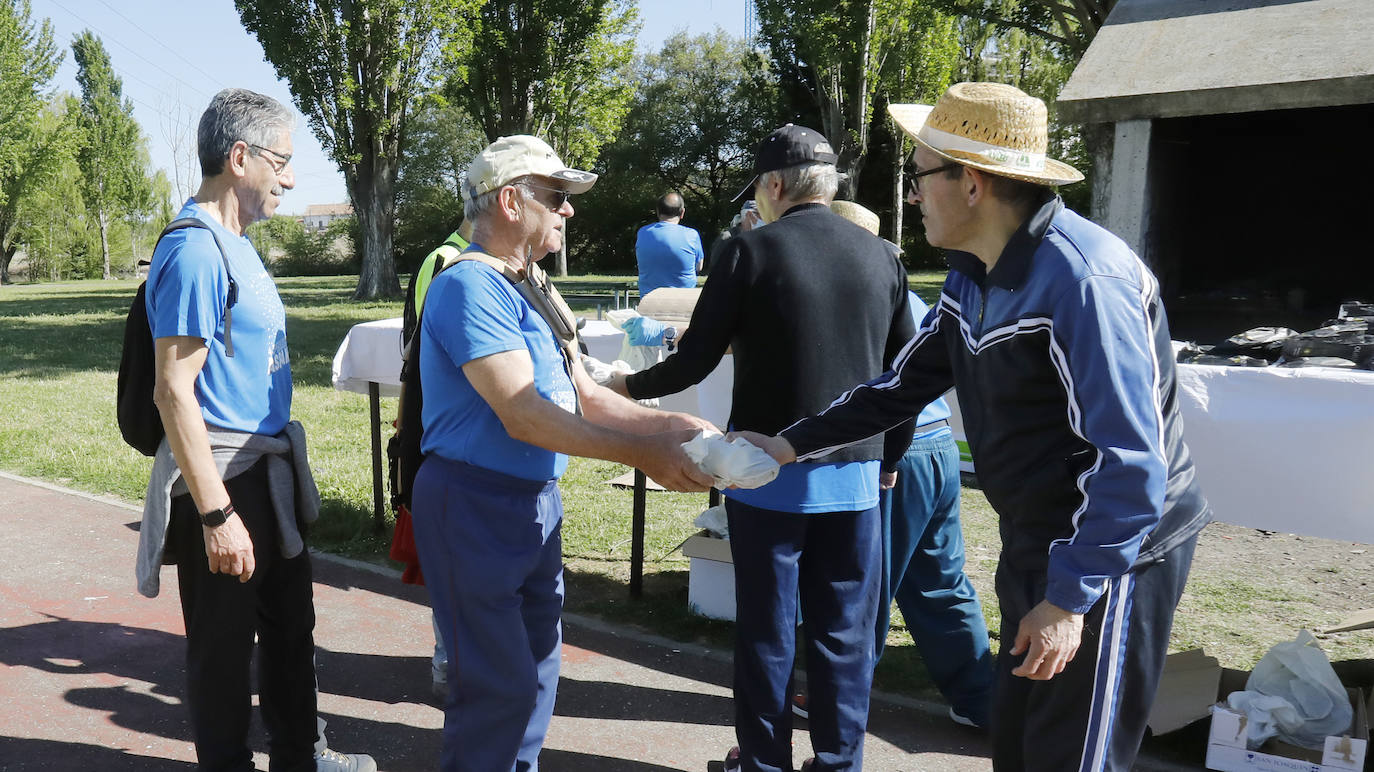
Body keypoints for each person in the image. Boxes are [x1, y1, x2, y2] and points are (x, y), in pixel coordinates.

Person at [739, 82, 1211, 772]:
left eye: (922, 175)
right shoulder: (973, 273)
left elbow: (1131, 466)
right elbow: (901, 386)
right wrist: (785, 445)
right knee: (1016, 749)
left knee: (1071, 757)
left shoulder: (1085, 282)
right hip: (1039, 535)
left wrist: (1070, 597)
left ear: (974, 185)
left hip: (1117, 550)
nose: (911, 195)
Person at [610, 124, 916, 772]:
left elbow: (693, 360)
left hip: (765, 476)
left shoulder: (750, 254)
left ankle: (764, 761)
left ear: (774, 186)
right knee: (843, 637)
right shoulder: (883, 256)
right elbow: (904, 380)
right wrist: (889, 462)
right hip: (856, 478)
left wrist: (623, 384)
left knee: (767, 634)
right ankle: (839, 762)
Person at [410, 134, 716, 771]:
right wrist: (642, 456)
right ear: (513, 202)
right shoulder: (470, 286)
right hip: (473, 505)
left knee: (538, 672)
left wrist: (672, 429)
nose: (568, 211)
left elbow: (586, 395)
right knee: (497, 687)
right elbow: (524, 414)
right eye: (557, 197)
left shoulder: (529, 283)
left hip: (528, 505)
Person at [137, 88, 374, 772]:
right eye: (282, 161)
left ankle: (301, 758)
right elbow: (172, 391)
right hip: (224, 482)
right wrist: (215, 515)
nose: (291, 178)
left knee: (291, 637)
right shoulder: (196, 251)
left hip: (264, 473)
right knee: (222, 656)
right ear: (239, 158)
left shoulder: (237, 244)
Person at [827, 201, 996, 730]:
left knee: (866, 582)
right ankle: (983, 701)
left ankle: (842, 699)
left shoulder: (854, 294)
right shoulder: (911, 292)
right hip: (939, 446)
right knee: (939, 582)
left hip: (896, 454)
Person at [635, 190, 704, 298]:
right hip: (683, 301)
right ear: (682, 213)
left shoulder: (643, 232)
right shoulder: (692, 235)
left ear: (657, 212)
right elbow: (699, 266)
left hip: (649, 302)